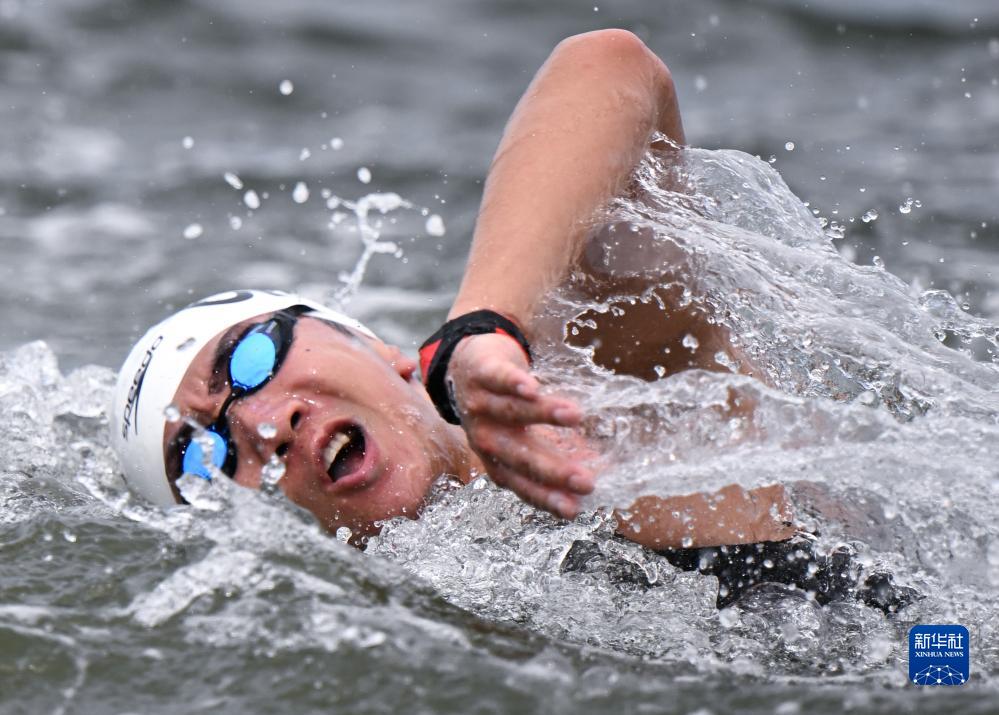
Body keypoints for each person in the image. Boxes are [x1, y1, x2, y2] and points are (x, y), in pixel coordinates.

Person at [110, 30, 914, 612]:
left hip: (941, 655)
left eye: (249, 358)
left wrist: (483, 327)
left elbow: (609, 66)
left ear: (372, 345)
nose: (258, 425)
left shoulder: (597, 392)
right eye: (205, 458)